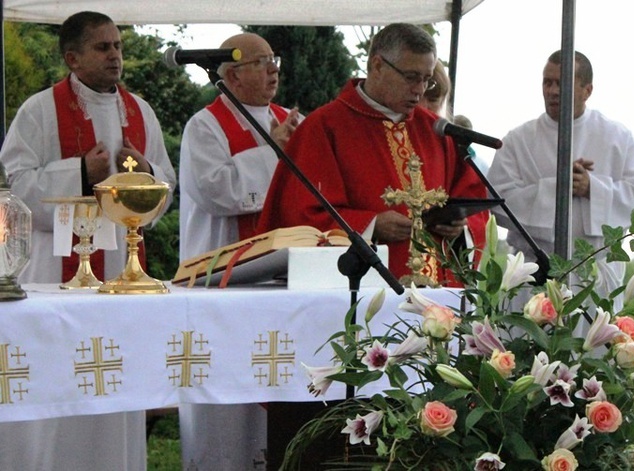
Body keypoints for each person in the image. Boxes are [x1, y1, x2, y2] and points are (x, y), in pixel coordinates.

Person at [0, 11, 176, 471]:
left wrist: (147, 173)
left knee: (113, 376)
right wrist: (82, 172)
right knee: (56, 376)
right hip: (53, 271)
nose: (115, 56)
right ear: (72, 57)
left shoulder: (140, 112)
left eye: (117, 46)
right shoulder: (39, 111)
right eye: (103, 48)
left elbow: (167, 189)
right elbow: (12, 187)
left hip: (122, 268)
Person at [256, 23, 489, 286]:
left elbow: (472, 200)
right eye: (411, 77)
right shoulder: (324, 128)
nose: (420, 90)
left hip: (437, 299)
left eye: (427, 79)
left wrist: (459, 226)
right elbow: (298, 216)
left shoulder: (435, 130)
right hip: (361, 293)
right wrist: (369, 225)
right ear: (377, 66)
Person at [177, 32, 301, 470]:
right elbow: (218, 190)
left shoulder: (289, 120)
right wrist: (278, 153)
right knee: (224, 396)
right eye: (261, 61)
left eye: (274, 60)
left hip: (279, 284)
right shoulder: (204, 125)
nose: (273, 70)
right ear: (230, 74)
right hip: (219, 279)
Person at [487, 50, 634, 309]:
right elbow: (496, 201)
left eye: (561, 83)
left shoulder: (617, 138)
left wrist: (592, 188)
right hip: (533, 273)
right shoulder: (518, 140)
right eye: (547, 82)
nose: (552, 91)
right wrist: (557, 187)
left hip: (594, 276)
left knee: (590, 347)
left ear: (587, 90)